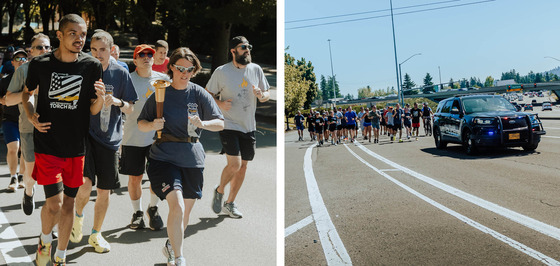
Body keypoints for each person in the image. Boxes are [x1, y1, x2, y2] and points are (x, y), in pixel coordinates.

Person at [22, 14, 105, 265]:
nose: (79, 39)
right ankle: (45, 241)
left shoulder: (92, 65)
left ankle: (60, 256)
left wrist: (100, 99)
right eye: (73, 33)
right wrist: (31, 116)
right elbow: (27, 95)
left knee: (69, 205)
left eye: (82, 34)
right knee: (55, 204)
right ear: (59, 35)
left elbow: (93, 109)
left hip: (76, 147)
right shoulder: (40, 64)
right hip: (48, 144)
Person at [138, 47, 224, 266]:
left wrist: (203, 124)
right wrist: (152, 125)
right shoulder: (161, 91)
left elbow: (220, 122)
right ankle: (179, 258)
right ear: (171, 68)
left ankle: (171, 246)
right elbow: (141, 122)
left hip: (192, 158)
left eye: (190, 69)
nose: (185, 73)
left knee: (184, 214)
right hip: (163, 157)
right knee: (177, 206)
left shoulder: (198, 93)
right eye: (180, 69)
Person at [70, 30, 138, 253]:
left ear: (111, 50)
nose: (98, 54)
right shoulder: (82, 69)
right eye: (94, 49)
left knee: (104, 190)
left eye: (103, 49)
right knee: (85, 184)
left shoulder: (120, 72)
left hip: (109, 138)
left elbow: (131, 106)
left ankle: (96, 234)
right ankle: (77, 218)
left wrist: (118, 102)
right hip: (85, 134)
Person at [207, 36, 270, 218]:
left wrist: (262, 95)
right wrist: (219, 103)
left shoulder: (255, 69)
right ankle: (219, 190)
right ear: (233, 51)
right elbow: (207, 93)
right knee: (234, 164)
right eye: (243, 47)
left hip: (248, 126)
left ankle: (230, 203)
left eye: (249, 46)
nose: (247, 49)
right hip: (229, 123)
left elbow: (265, 94)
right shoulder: (222, 71)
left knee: (243, 167)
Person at [121, 44, 169, 230]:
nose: (147, 57)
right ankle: (137, 213)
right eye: (142, 55)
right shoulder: (127, 80)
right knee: (135, 178)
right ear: (135, 60)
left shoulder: (163, 79)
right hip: (133, 137)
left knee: (157, 176)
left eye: (150, 54)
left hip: (157, 138)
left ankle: (153, 208)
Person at [6, 33, 51, 215]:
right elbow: (8, 99)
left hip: (53, 129)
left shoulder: (57, 68)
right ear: (31, 51)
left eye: (47, 47)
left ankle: (52, 213)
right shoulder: (23, 71)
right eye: (39, 47)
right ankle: (28, 191)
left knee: (53, 176)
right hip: (28, 127)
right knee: (31, 173)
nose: (44, 50)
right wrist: (29, 93)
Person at [1, 49, 27, 191]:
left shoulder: (31, 79)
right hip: (10, 120)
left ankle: (22, 175)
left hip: (26, 120)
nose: (21, 61)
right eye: (18, 59)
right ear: (12, 62)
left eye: (24, 59)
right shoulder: (5, 80)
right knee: (13, 148)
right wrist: (4, 101)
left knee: (24, 150)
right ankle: (13, 177)